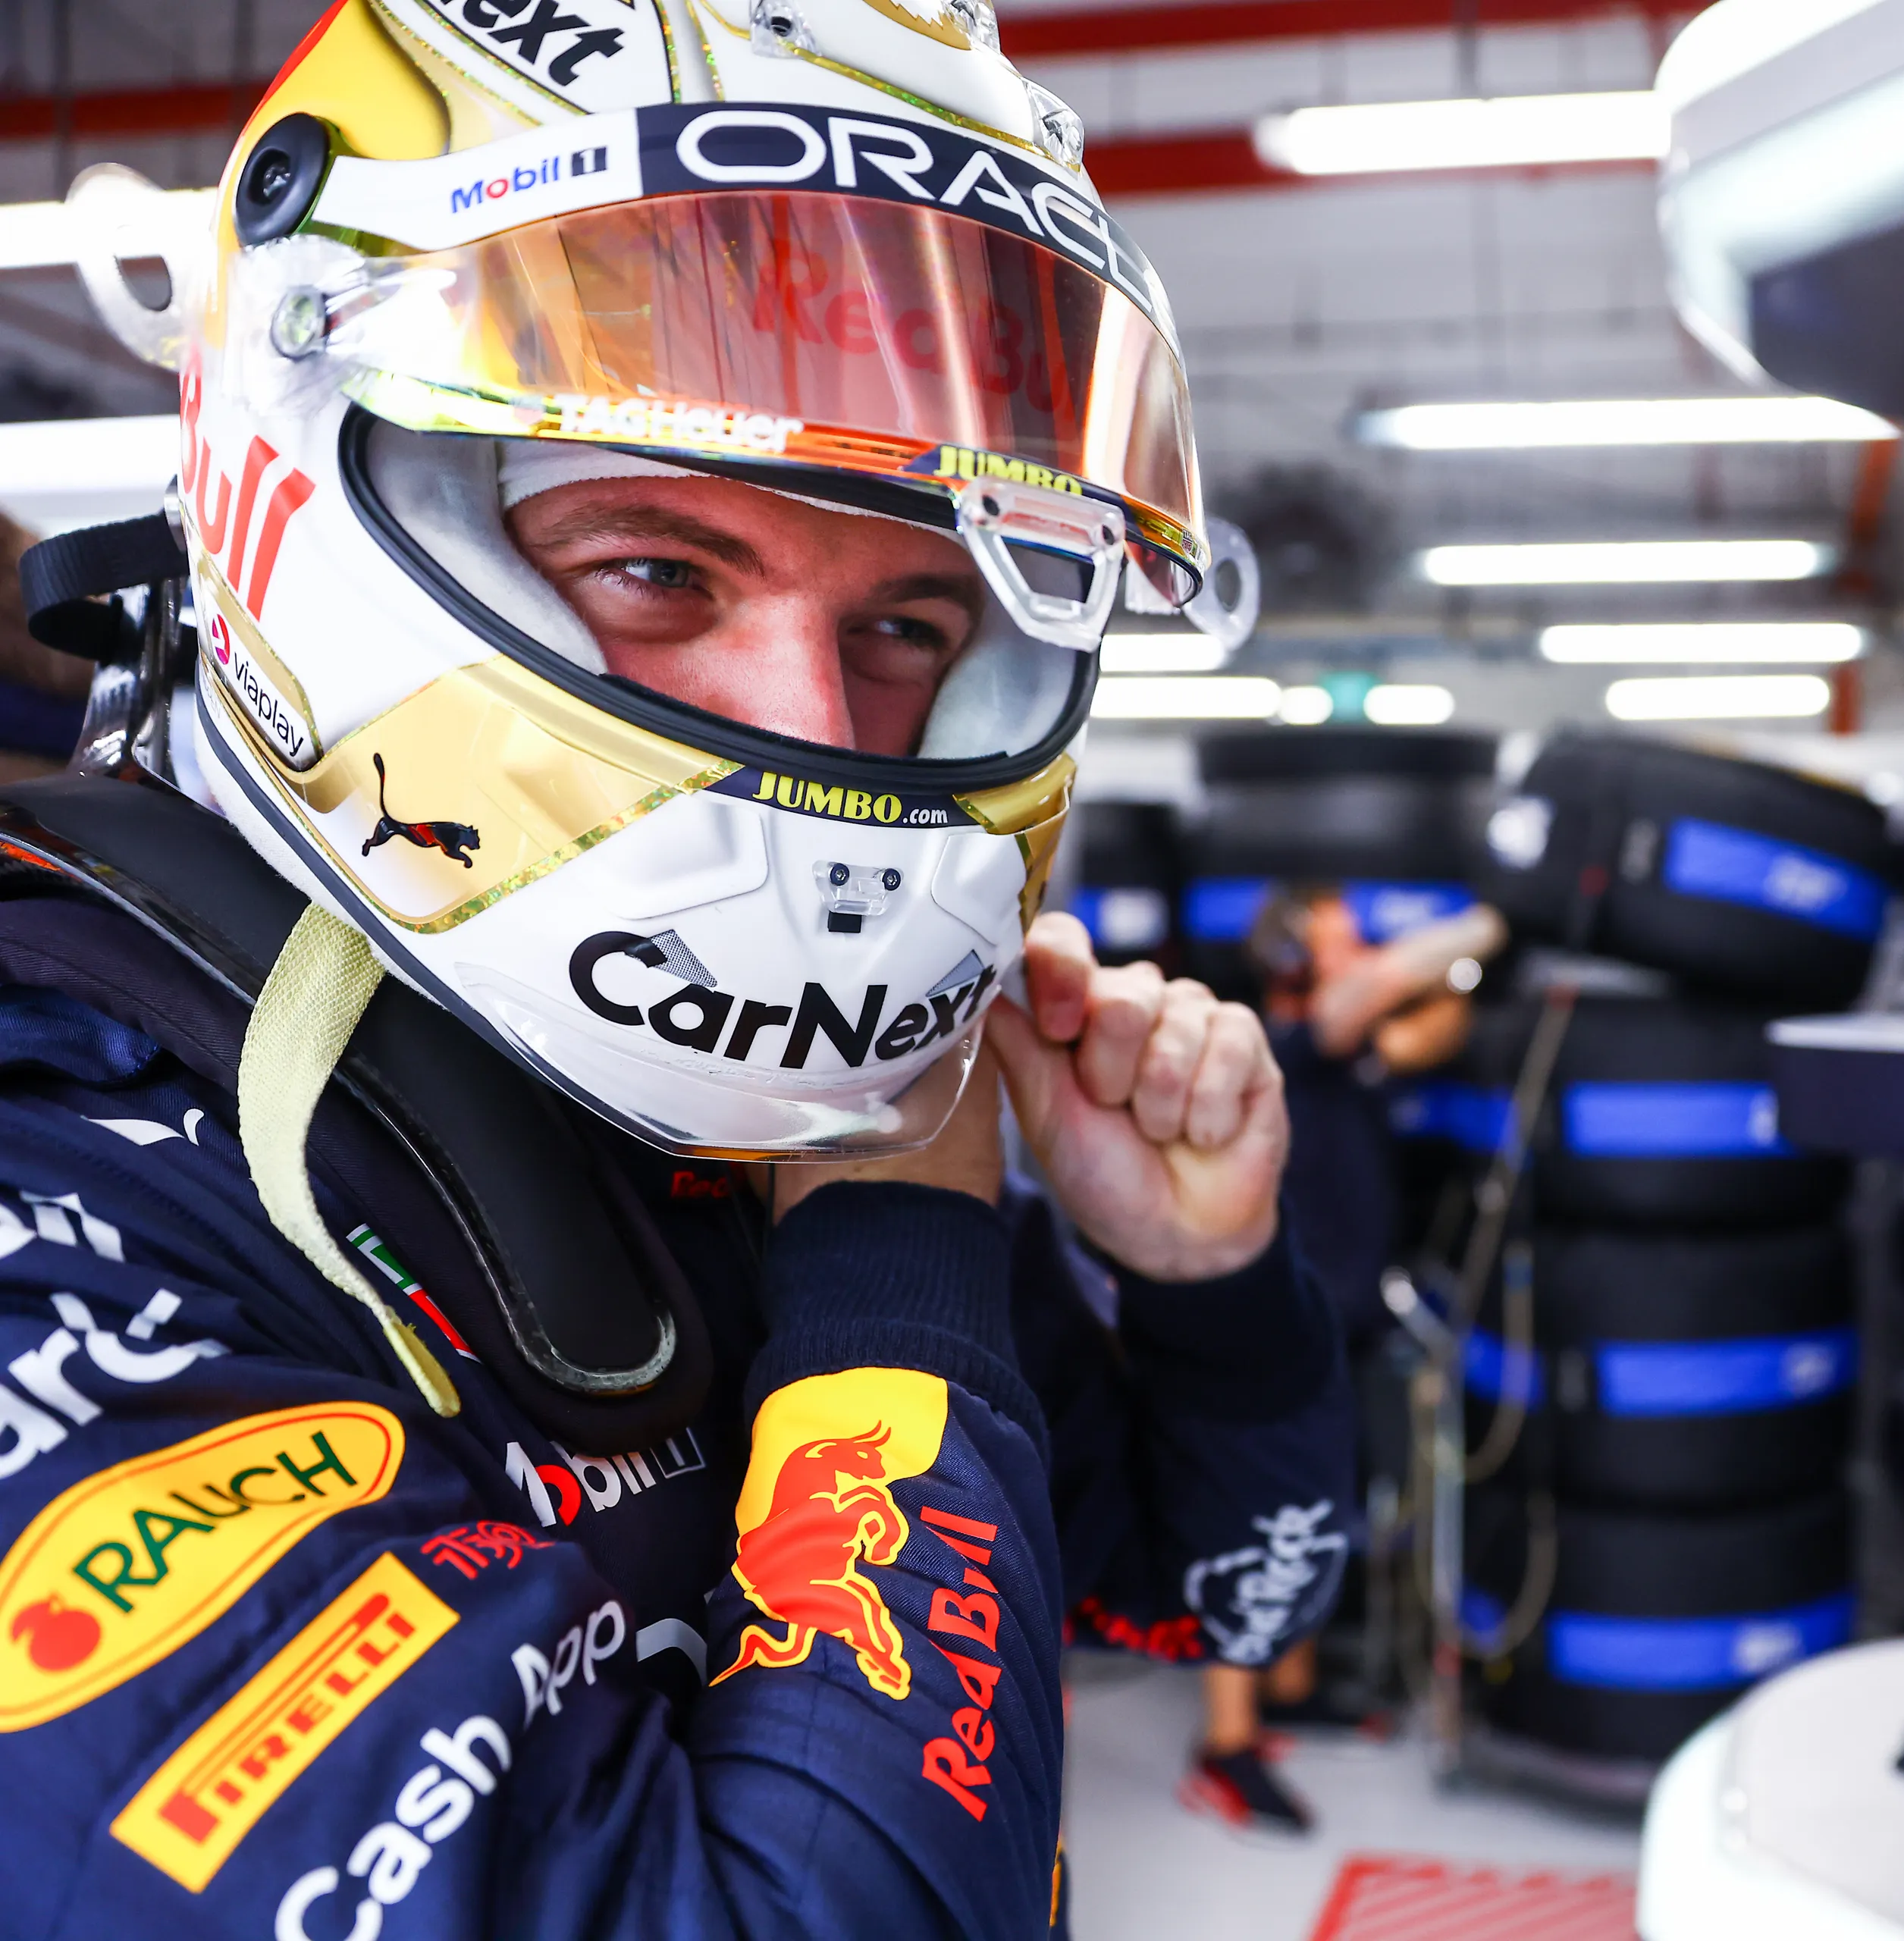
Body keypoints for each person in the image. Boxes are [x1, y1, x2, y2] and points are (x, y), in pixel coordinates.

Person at [0, 5, 1345, 1933]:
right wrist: (896, 1231)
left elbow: (1215, 1596)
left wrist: (1209, 1286)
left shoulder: (752, 1099)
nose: (820, 727)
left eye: (909, 625)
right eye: (657, 571)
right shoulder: (71, 1191)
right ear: (299, 508)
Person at [1180, 887, 1502, 1835]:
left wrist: (1453, 983)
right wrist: (1491, 927)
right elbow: (1391, 988)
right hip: (1267, 1323)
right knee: (1254, 1523)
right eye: (1337, 943)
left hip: (1337, 1322)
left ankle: (1289, 1691)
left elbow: (1434, 1028)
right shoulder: (1280, 1044)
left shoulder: (1347, 1051)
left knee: (1315, 1512)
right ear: (1290, 965)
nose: (1362, 954)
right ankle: (1226, 1745)